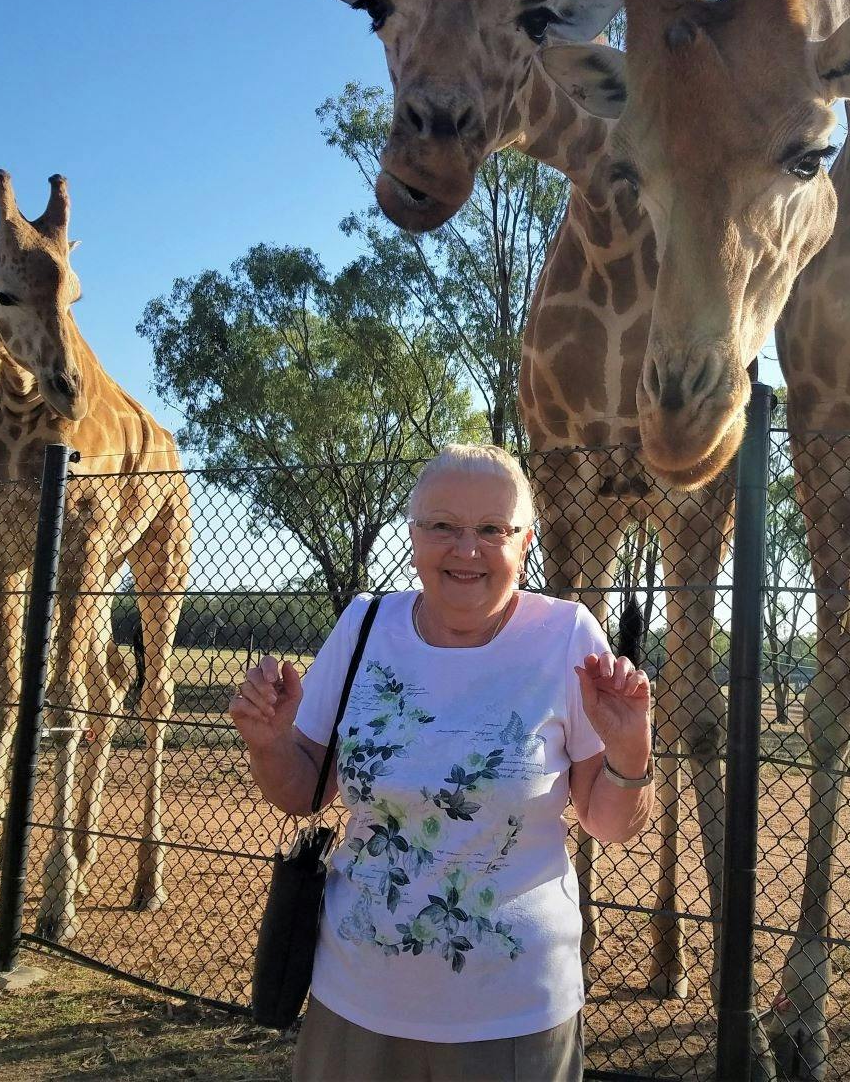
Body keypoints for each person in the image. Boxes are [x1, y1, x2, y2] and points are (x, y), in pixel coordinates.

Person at [230, 443, 655, 1082]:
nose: (467, 550)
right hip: (355, 1001)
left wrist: (629, 752)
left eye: (492, 530)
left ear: (525, 541)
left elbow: (612, 823)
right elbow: (302, 789)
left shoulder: (567, 636)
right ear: (413, 535)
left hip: (514, 1013)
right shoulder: (365, 625)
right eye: (443, 527)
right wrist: (268, 740)